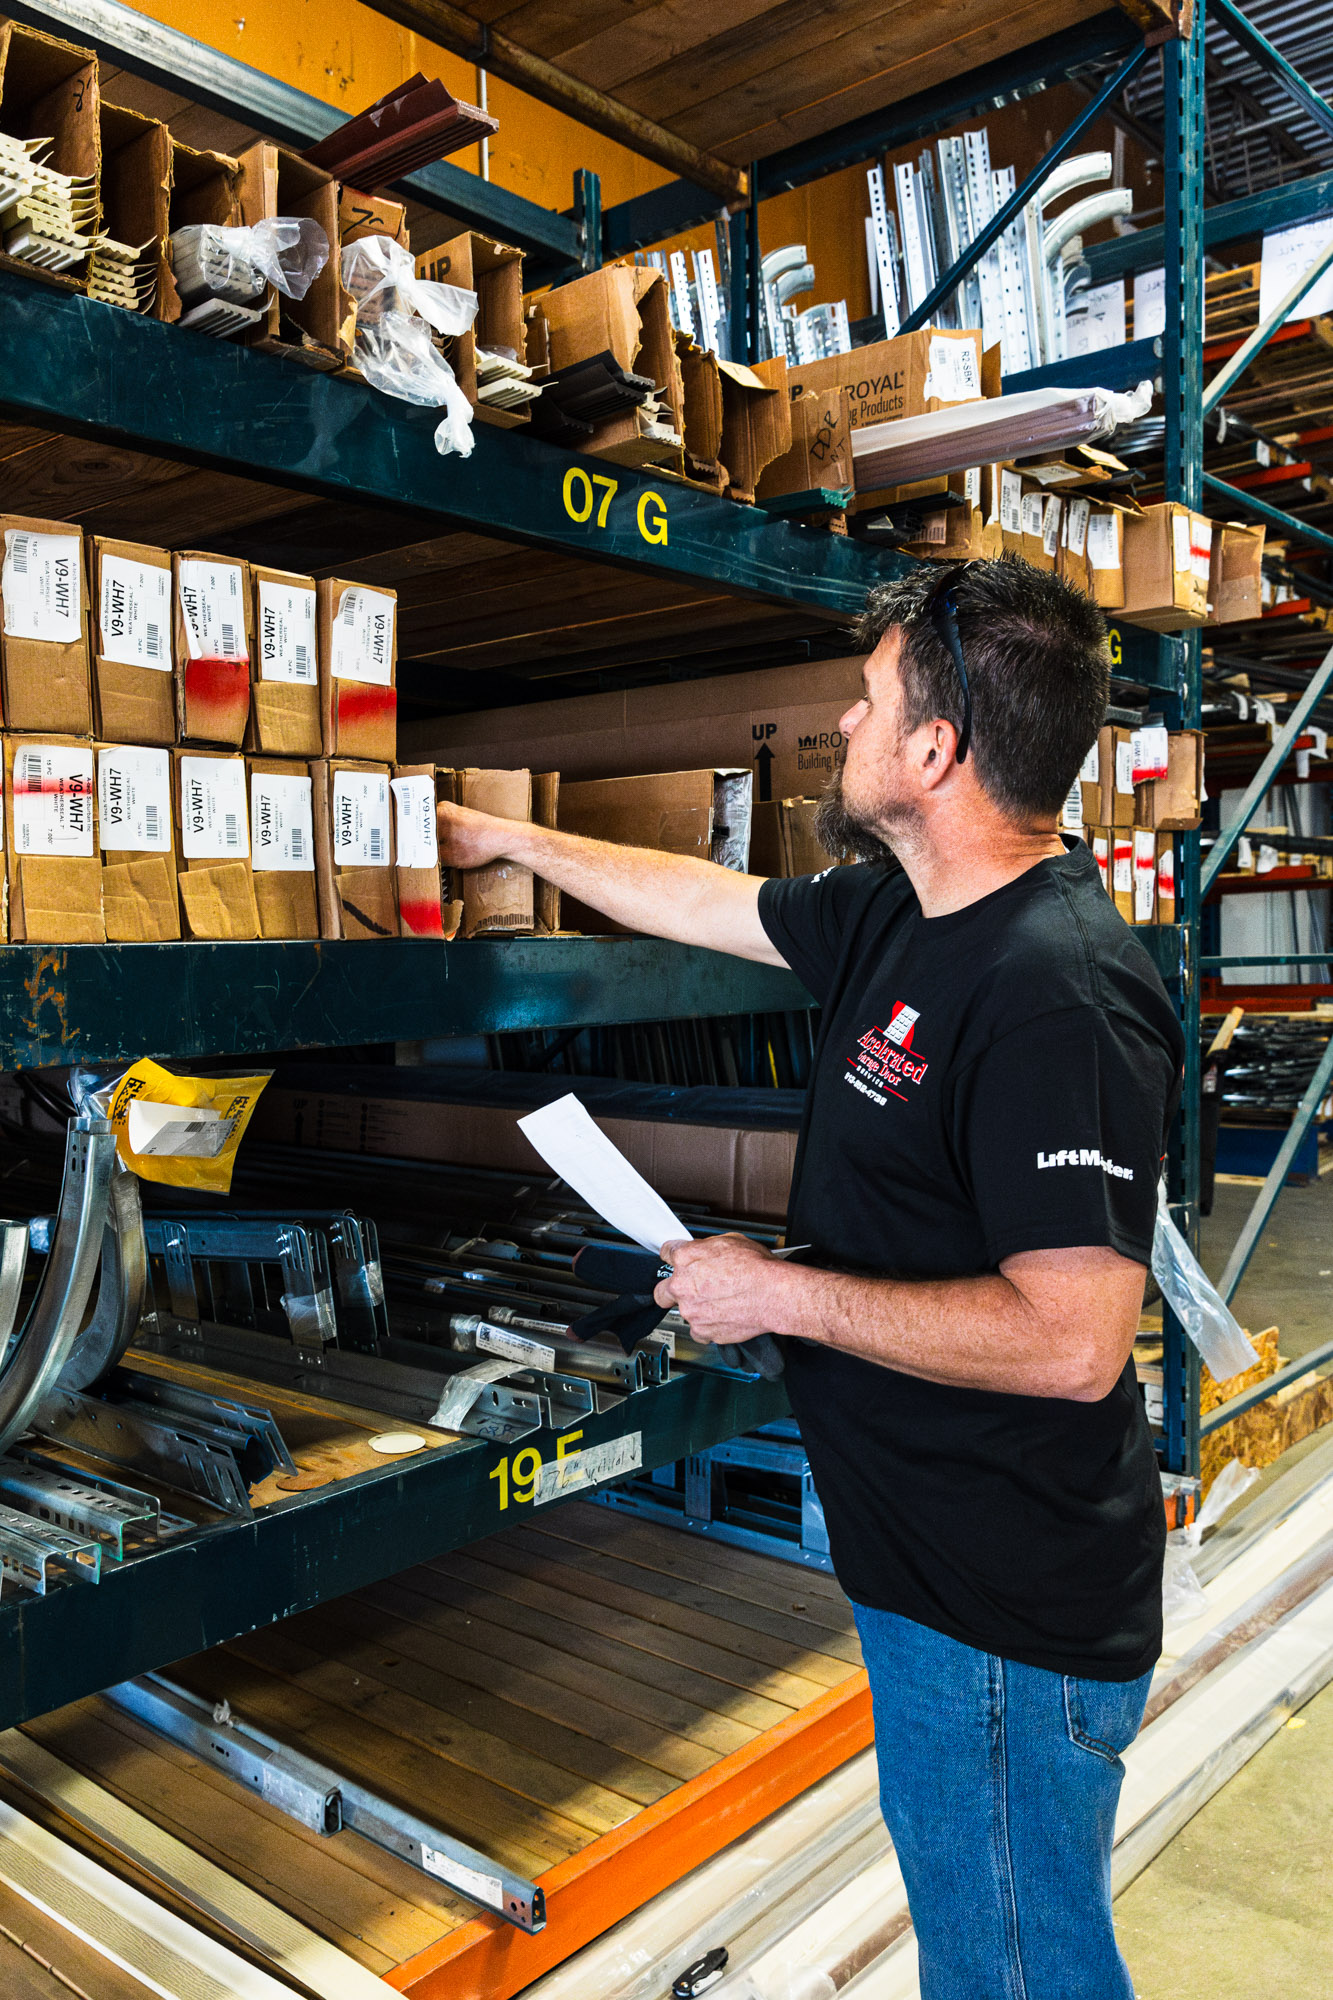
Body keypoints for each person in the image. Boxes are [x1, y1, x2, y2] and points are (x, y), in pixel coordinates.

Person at [437, 556, 1184, 2000]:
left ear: (934, 750)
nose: (837, 728)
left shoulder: (1054, 992)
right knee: (986, 1946)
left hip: (1003, 1611)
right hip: (923, 1567)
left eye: (862, 705)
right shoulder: (898, 913)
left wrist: (774, 1292)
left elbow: (1071, 1343)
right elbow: (708, 902)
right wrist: (509, 843)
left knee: (1011, 1970)